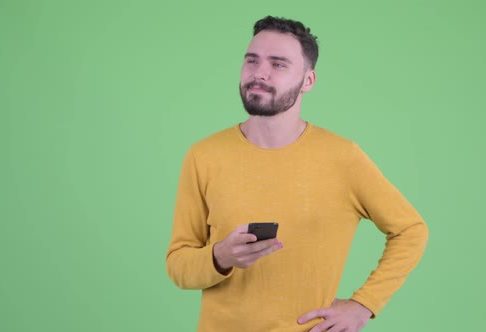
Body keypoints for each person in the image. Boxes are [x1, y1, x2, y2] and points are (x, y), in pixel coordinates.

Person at [166, 16, 429, 332]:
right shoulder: (204, 156)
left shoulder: (343, 157)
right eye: (252, 60)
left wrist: (364, 305)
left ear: (308, 80)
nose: (259, 73)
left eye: (278, 64)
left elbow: (411, 230)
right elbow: (179, 265)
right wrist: (221, 255)